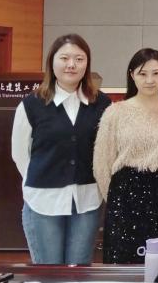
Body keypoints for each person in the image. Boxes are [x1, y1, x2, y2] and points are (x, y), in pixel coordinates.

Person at [11, 33, 111, 264]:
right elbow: (19, 153)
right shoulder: (31, 105)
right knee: (49, 272)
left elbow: (106, 150)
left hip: (87, 199)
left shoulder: (102, 104)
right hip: (43, 200)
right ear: (52, 62)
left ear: (87, 64)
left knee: (79, 270)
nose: (71, 64)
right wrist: (40, 179)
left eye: (79, 59)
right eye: (64, 58)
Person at [94, 48, 158, 264]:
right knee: (122, 259)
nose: (149, 80)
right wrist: (116, 199)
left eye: (156, 73)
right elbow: (101, 162)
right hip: (124, 193)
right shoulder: (115, 112)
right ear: (132, 75)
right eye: (142, 74)